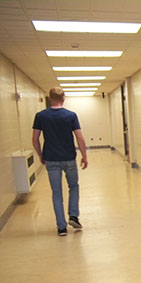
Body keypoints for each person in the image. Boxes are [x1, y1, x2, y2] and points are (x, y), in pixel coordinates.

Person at [32, 87, 88, 236]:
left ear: (50, 99)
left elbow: (35, 139)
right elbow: (80, 137)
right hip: (69, 157)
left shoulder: (41, 116)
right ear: (63, 99)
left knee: (56, 192)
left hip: (51, 159)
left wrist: (40, 155)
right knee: (74, 186)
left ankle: (61, 227)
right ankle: (74, 216)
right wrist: (84, 156)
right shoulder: (70, 115)